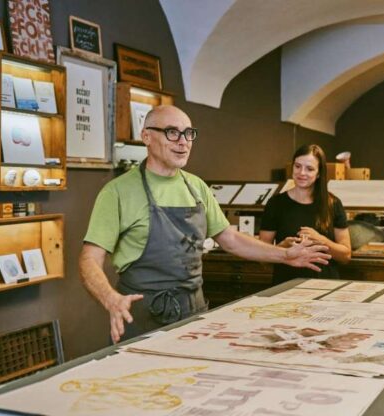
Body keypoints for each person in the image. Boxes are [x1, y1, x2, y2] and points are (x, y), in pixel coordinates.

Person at [80, 105, 331, 343]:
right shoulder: (118, 192)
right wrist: (110, 299)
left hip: (193, 310)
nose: (183, 141)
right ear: (146, 136)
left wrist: (285, 254)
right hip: (143, 314)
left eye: (189, 133)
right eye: (172, 132)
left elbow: (230, 240)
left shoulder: (197, 186)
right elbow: (89, 259)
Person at [259, 144, 351, 284]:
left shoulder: (333, 204)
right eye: (297, 166)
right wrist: (283, 247)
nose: (302, 173)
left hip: (324, 285)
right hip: (285, 285)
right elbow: (262, 257)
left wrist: (321, 240)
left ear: (319, 173)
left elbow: (345, 255)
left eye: (309, 169)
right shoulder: (275, 204)